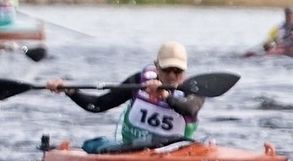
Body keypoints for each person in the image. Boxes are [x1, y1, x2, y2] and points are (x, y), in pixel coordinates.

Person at [48, 42, 206, 152]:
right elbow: (98, 105)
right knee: (92, 145)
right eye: (166, 69)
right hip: (132, 149)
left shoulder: (194, 89)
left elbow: (189, 109)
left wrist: (165, 96)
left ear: (185, 71)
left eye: (177, 71)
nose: (172, 75)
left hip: (177, 151)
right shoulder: (139, 81)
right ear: (157, 66)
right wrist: (71, 91)